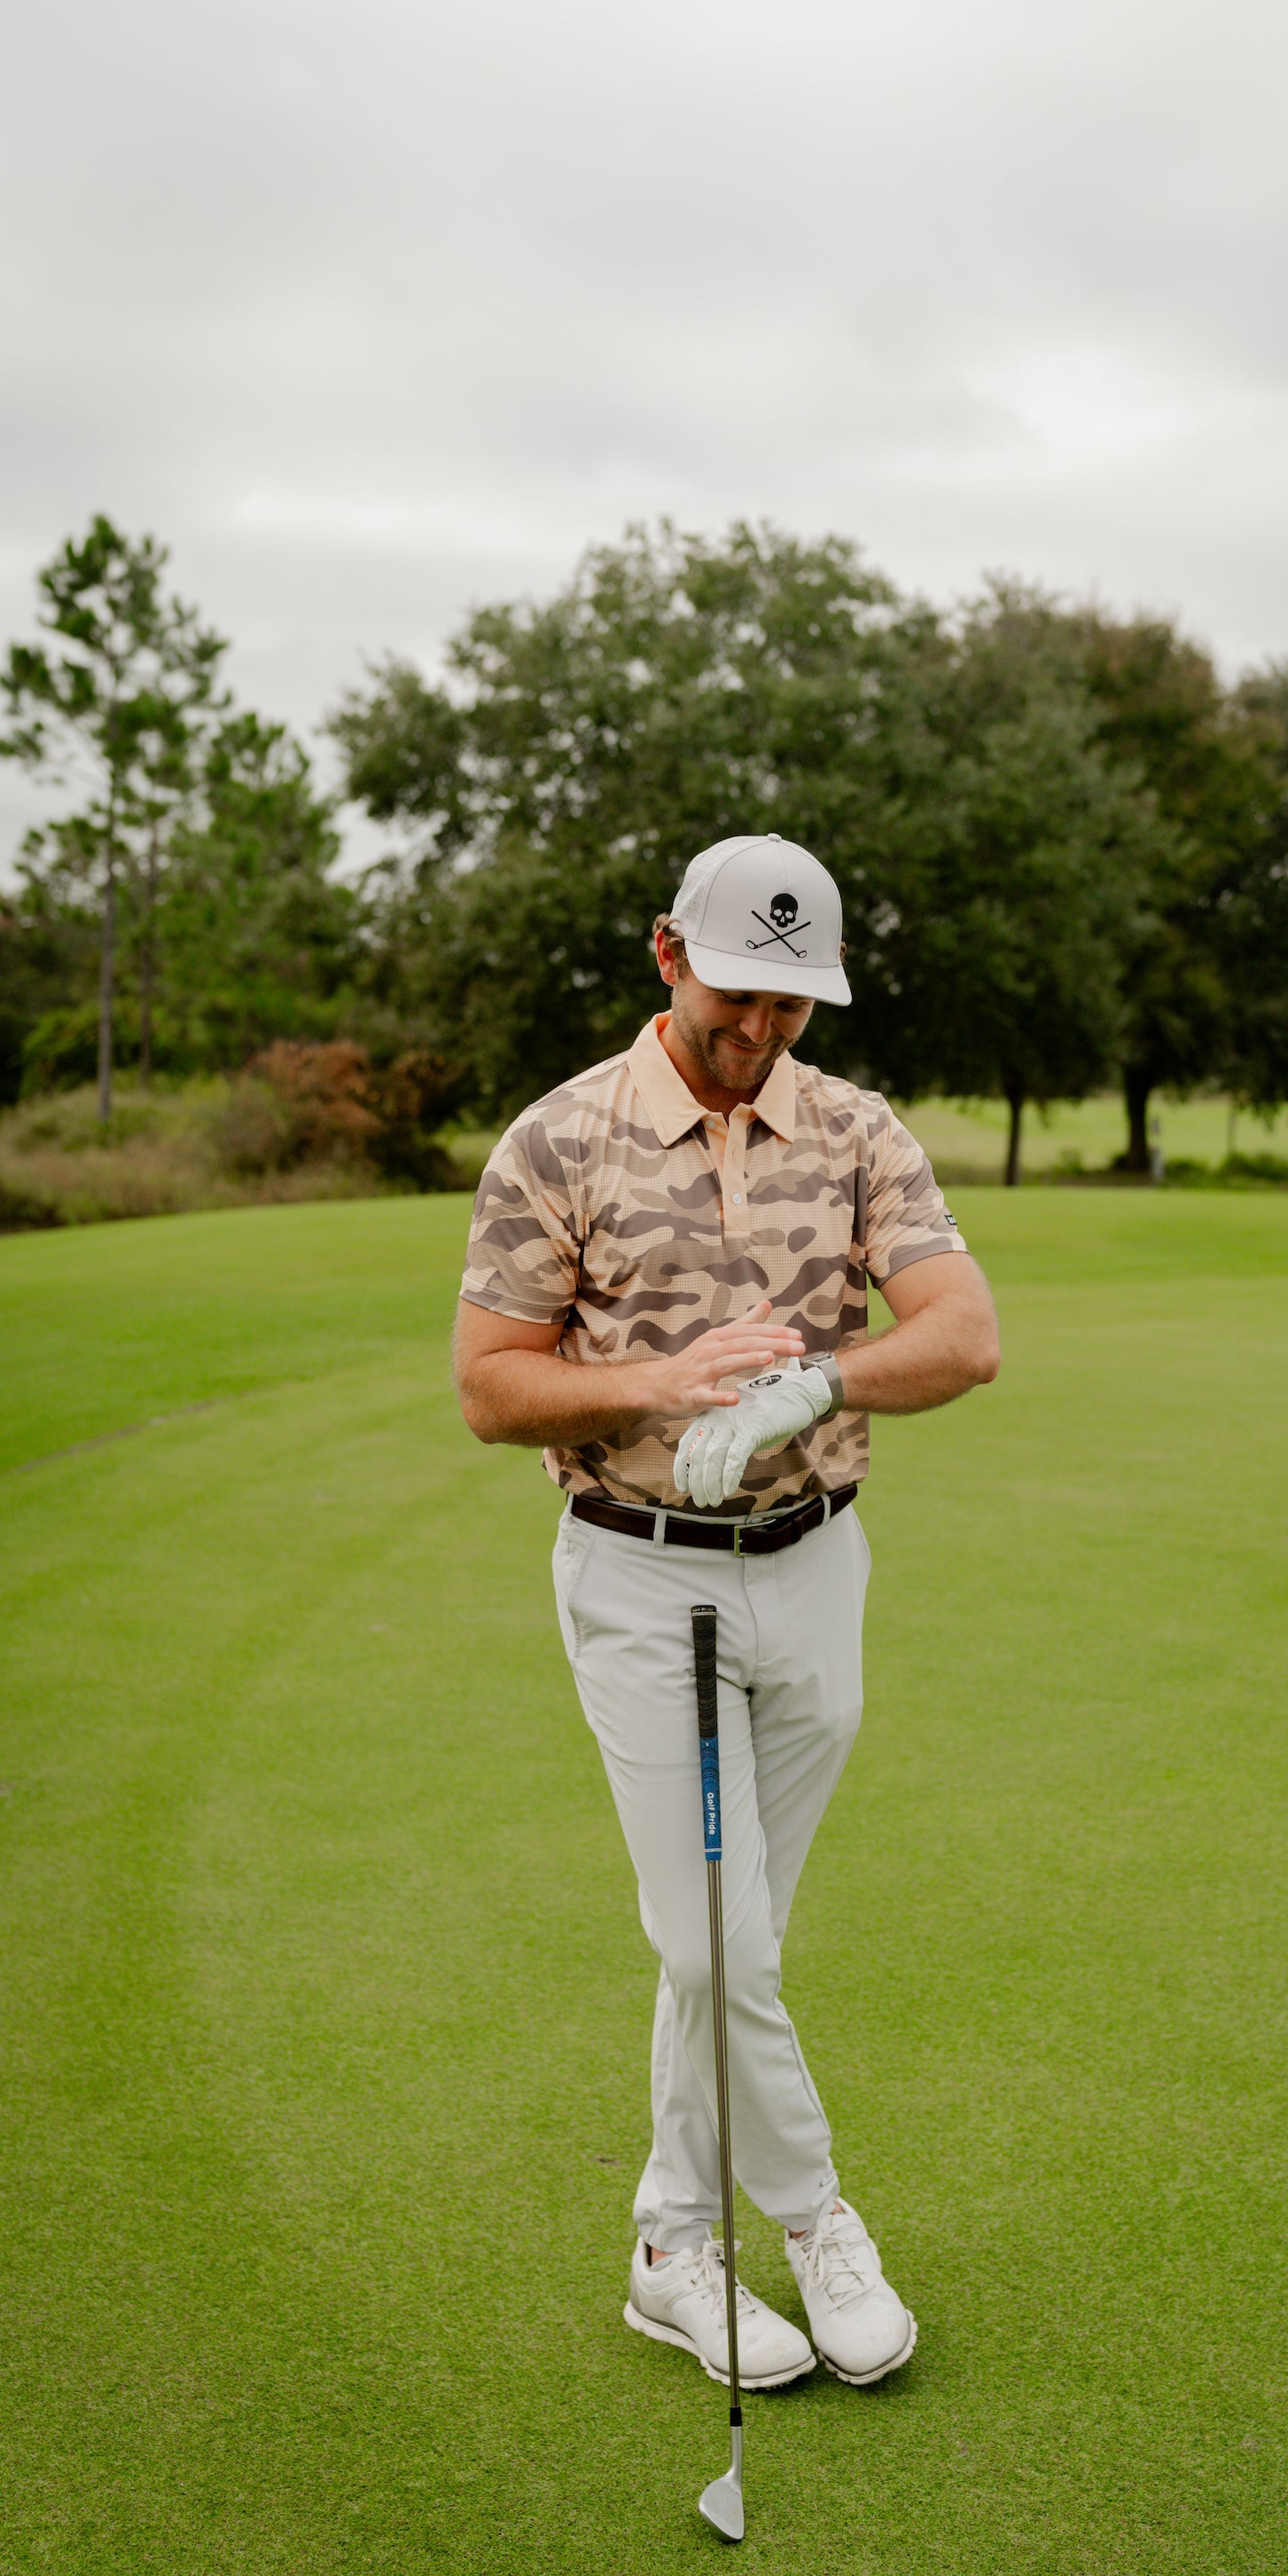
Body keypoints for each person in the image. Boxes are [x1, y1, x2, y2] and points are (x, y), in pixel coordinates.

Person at [453, 833, 1000, 2390]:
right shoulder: (558, 1141)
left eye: (792, 1008)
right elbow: (490, 1386)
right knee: (711, 1939)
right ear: (667, 955)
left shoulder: (855, 1129)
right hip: (643, 1575)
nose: (760, 1036)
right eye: (737, 1000)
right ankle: (817, 2214)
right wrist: (653, 1383)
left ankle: (669, 2246)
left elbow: (965, 1335)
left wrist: (815, 1385)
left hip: (818, 1569)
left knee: (730, 1945)